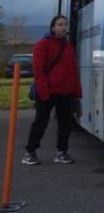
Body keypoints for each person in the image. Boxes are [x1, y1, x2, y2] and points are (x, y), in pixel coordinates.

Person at [22, 15, 82, 165]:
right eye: (60, 24)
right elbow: (38, 70)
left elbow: (73, 70)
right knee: (40, 123)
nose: (63, 27)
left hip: (66, 92)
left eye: (65, 24)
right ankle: (30, 153)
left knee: (65, 124)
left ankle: (62, 152)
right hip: (47, 92)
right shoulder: (43, 45)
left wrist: (77, 90)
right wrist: (44, 92)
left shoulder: (68, 47)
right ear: (53, 27)